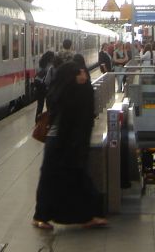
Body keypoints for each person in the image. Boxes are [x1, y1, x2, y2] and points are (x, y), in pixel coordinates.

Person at [33, 61, 107, 229]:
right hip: (59, 142)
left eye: (83, 72)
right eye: (78, 73)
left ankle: (86, 215)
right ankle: (42, 216)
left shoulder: (69, 91)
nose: (83, 75)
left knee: (67, 177)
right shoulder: (67, 93)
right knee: (58, 178)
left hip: (65, 142)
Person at [34, 50, 56, 122]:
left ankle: (37, 122)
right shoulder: (50, 66)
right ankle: (47, 121)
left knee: (40, 105)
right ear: (51, 58)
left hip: (38, 85)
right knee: (48, 105)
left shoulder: (40, 63)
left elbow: (36, 73)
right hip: (45, 86)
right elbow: (48, 80)